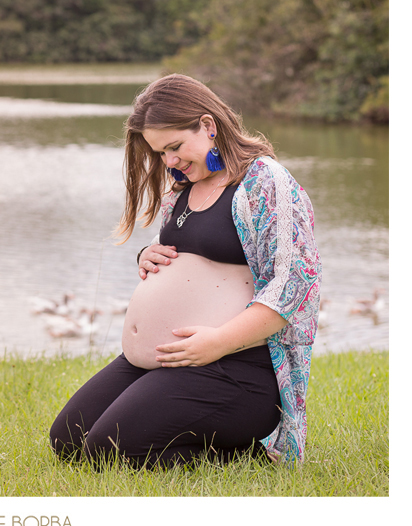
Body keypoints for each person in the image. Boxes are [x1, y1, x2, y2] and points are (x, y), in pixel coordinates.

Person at [49, 73, 321, 468]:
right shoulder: (181, 188)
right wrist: (148, 255)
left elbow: (292, 285)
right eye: (160, 153)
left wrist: (219, 342)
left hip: (237, 369)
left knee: (104, 450)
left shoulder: (263, 181)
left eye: (175, 147)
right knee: (67, 440)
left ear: (208, 126)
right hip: (173, 359)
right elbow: (192, 264)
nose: (170, 162)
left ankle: (250, 458)